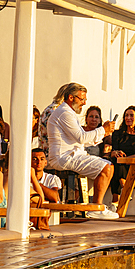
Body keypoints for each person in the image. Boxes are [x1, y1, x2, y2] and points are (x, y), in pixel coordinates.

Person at [47, 83, 117, 219]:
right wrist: (103, 129)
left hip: (71, 155)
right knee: (106, 167)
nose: (84, 103)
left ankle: (97, 206)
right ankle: (96, 207)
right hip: (64, 157)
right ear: (71, 98)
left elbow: (82, 140)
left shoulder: (68, 112)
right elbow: (81, 137)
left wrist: (104, 132)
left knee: (109, 166)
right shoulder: (65, 113)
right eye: (82, 99)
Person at [109, 106, 135, 199]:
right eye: (126, 115)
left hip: (134, 165)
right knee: (115, 163)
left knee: (118, 164)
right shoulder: (118, 134)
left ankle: (117, 197)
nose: (128, 118)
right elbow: (113, 150)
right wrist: (115, 153)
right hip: (118, 163)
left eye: (131, 115)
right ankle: (124, 188)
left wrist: (125, 159)